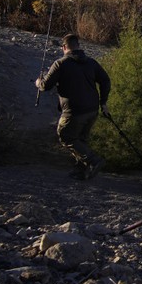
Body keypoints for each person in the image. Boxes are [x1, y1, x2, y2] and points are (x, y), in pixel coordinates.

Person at [35, 33, 110, 180]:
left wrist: (38, 82)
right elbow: (105, 81)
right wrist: (103, 102)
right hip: (92, 110)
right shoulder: (91, 63)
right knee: (81, 140)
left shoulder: (60, 64)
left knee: (66, 136)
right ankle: (80, 171)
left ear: (64, 47)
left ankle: (93, 160)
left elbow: (45, 86)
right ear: (78, 46)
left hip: (74, 111)